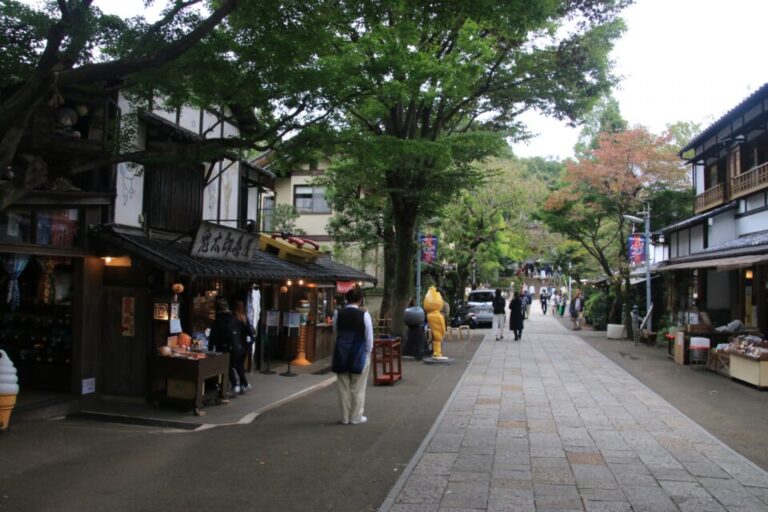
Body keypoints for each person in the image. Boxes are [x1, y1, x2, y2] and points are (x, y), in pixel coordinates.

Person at [331, 287, 373, 425]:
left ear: (346, 299)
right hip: (359, 354)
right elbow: (369, 338)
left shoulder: (338, 313)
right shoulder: (364, 315)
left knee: (343, 388)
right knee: (358, 387)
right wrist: (367, 353)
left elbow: (335, 331)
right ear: (360, 300)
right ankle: (356, 417)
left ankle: (344, 417)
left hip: (341, 353)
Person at [208, 298, 248, 396]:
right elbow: (242, 332)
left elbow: (213, 336)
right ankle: (243, 384)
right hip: (237, 346)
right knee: (236, 365)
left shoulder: (218, 321)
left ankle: (234, 385)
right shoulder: (234, 318)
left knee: (227, 366)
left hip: (223, 347)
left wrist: (210, 347)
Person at [232, 300, 255, 389]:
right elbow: (249, 331)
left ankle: (240, 384)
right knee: (240, 365)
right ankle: (244, 383)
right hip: (245, 345)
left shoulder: (234, 319)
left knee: (235, 365)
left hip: (237, 345)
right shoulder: (244, 318)